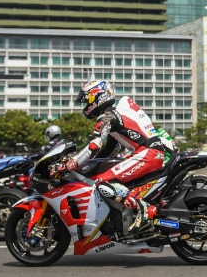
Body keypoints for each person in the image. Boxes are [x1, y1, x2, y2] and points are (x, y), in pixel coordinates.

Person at [72, 80, 177, 232]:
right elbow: (110, 149)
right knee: (108, 178)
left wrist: (73, 163)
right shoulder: (115, 116)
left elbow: (95, 145)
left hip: (147, 154)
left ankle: (144, 209)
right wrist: (88, 163)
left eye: (87, 100)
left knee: (101, 183)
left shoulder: (108, 117)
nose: (86, 105)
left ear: (97, 97)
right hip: (149, 153)